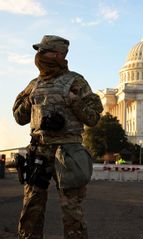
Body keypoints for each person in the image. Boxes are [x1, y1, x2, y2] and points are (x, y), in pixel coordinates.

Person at [12, 35, 103, 239]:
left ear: (58, 55)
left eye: (44, 51)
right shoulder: (33, 85)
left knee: (72, 213)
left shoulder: (76, 82)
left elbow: (94, 118)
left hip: (68, 153)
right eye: (39, 51)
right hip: (39, 152)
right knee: (31, 209)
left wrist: (74, 102)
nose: (39, 55)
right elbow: (19, 117)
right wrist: (29, 101)